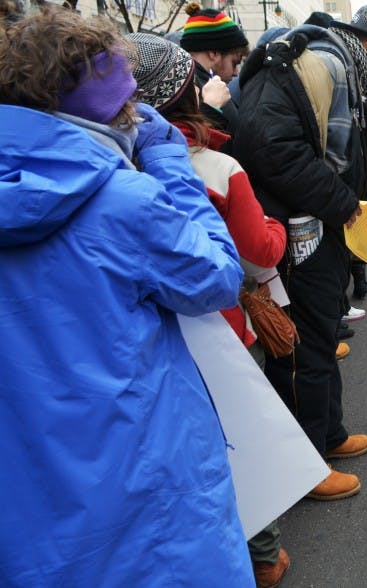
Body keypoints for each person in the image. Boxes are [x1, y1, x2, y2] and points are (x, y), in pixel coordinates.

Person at [0, 10, 251, 585]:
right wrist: (167, 164)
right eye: (129, 99)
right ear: (109, 109)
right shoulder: (124, 201)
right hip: (144, 489)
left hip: (28, 513)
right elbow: (215, 276)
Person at [233, 5, 367, 500]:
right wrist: (343, 206)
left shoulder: (334, 67)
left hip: (319, 231)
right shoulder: (316, 63)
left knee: (318, 337)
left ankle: (327, 435)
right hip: (300, 235)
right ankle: (305, 462)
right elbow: (273, 148)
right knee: (303, 348)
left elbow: (346, 149)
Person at [129, 32, 292, 587]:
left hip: (145, 348)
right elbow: (257, 251)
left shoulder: (111, 173)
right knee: (240, 438)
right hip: (222, 333)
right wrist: (275, 226)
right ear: (192, 95)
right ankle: (264, 553)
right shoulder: (218, 168)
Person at [179, 3, 249, 139]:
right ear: (214, 53)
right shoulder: (190, 88)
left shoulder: (190, 81)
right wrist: (212, 109)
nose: (235, 73)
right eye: (234, 63)